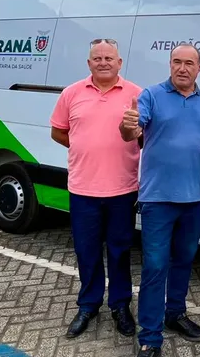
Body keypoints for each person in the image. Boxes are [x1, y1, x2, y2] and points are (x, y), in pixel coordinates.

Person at [120, 44, 200, 357]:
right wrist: (128, 126)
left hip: (193, 199)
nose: (182, 68)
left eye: (189, 63)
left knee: (184, 260)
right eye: (176, 62)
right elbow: (134, 130)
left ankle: (174, 313)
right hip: (157, 201)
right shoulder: (151, 96)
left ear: (199, 68)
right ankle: (150, 338)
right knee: (154, 267)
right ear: (170, 64)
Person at [50, 38, 140, 339]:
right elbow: (58, 131)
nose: (103, 62)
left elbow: (144, 138)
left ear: (119, 63)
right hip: (83, 189)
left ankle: (120, 305)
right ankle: (88, 305)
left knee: (119, 251)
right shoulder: (71, 93)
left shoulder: (136, 94)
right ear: (89, 63)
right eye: (97, 58)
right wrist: (83, 146)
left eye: (109, 58)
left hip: (122, 190)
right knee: (86, 252)